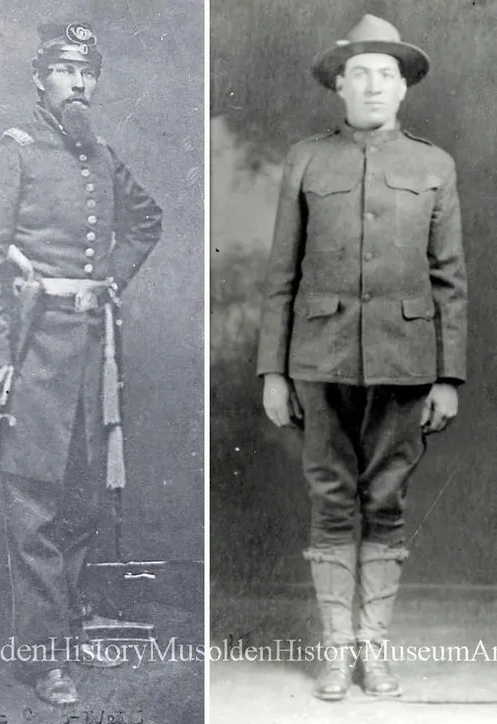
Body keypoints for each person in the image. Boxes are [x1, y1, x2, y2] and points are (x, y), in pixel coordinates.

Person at [0, 20, 162, 706]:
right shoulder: (14, 153)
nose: (79, 83)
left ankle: (64, 632)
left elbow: (146, 220)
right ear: (39, 77)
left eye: (88, 72)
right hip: (34, 355)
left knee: (80, 503)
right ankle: (42, 659)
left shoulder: (100, 155)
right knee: (34, 504)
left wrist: (105, 284)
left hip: (93, 355)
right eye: (66, 70)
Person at [257, 14, 466, 701]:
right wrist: (274, 369)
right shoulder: (308, 160)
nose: (374, 86)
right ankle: (335, 651)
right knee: (331, 499)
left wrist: (447, 376)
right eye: (360, 73)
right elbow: (281, 273)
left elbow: (449, 280)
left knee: (386, 501)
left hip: (408, 363)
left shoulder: (434, 166)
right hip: (318, 360)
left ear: (404, 89)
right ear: (339, 85)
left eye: (387, 74)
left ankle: (373, 652)